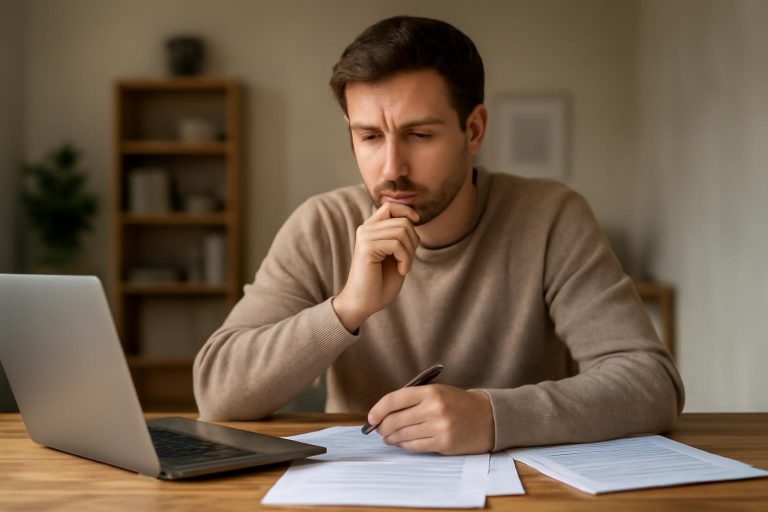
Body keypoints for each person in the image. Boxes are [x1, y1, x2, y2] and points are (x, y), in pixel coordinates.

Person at [193, 15, 684, 455]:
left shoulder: (551, 217)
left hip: (529, 488)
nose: (392, 168)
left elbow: (651, 383)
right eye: (369, 136)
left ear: (474, 130)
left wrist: (493, 417)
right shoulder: (320, 224)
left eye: (420, 135)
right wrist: (347, 309)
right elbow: (217, 392)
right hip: (363, 485)